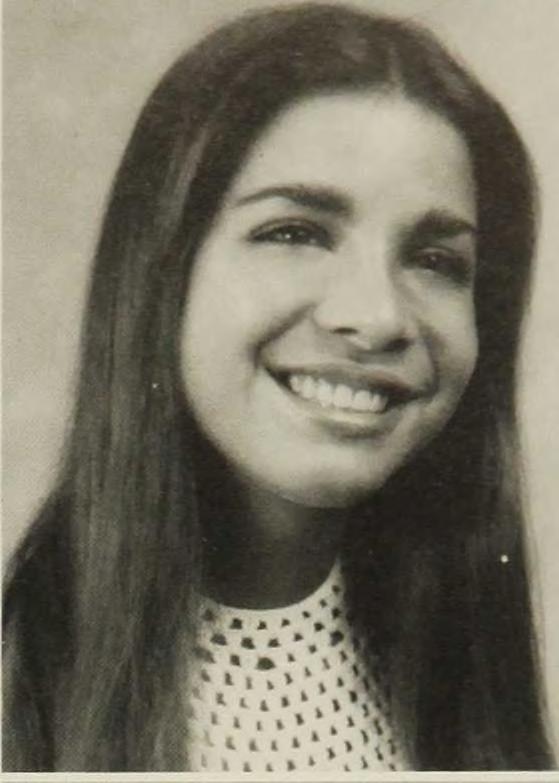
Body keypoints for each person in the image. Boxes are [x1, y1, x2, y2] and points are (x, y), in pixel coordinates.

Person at [3, 2, 554, 772]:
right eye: (294, 232)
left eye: (433, 259)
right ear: (161, 271)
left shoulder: (467, 683)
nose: (376, 316)